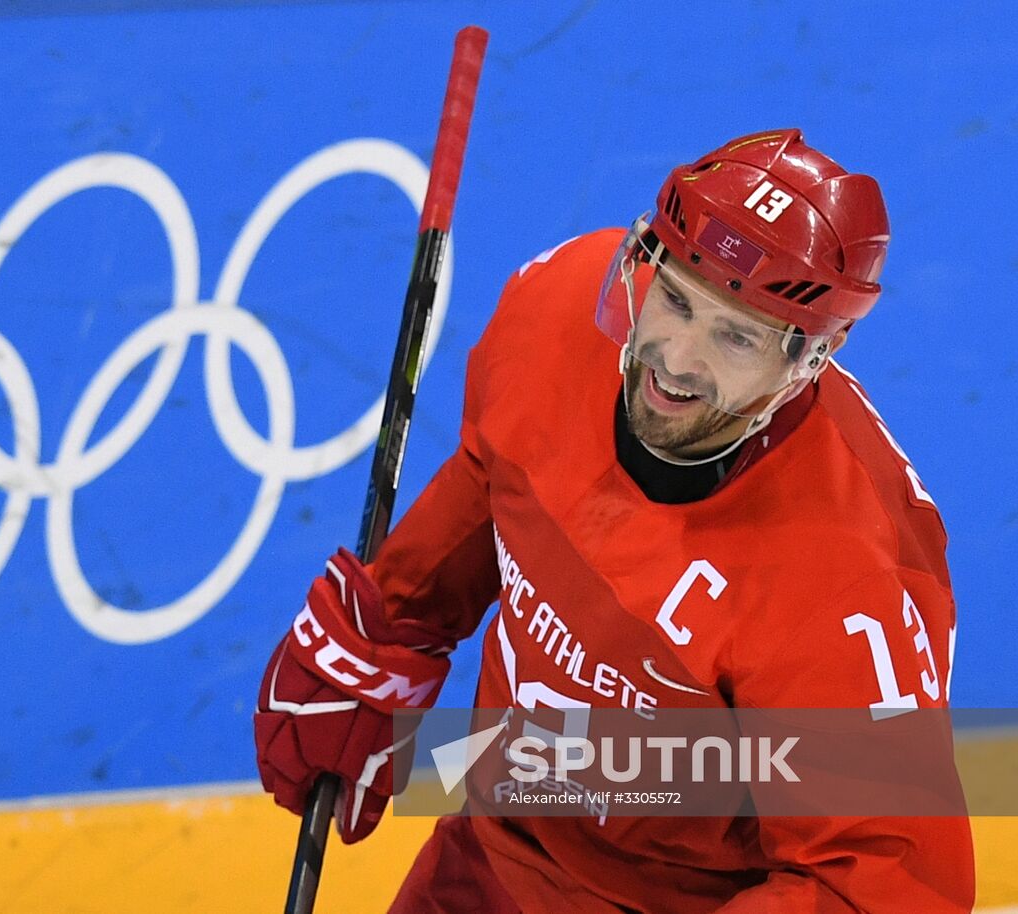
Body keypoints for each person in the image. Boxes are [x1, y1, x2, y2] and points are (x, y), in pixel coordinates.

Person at [254, 129, 973, 912]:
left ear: (808, 360)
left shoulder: (850, 576)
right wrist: (392, 626)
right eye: (674, 299)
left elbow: (879, 884)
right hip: (492, 853)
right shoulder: (554, 310)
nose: (675, 357)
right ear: (643, 262)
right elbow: (492, 480)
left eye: (735, 335)